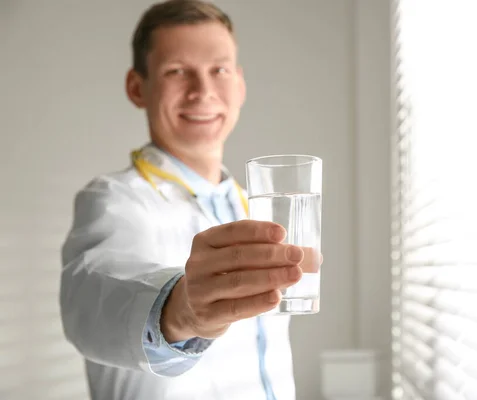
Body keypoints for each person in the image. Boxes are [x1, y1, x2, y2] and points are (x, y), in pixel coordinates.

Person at [59, 1, 320, 399]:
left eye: (219, 70)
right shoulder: (114, 200)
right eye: (177, 71)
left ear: (240, 85)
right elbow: (92, 300)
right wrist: (180, 310)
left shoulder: (258, 206)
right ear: (136, 87)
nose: (203, 91)